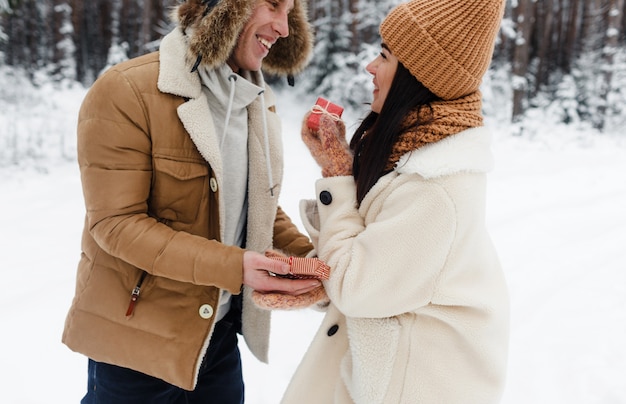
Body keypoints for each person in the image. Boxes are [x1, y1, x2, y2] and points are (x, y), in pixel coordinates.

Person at [62, 0, 321, 402]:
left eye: (290, 13)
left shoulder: (255, 99)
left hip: (215, 340)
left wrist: (314, 264)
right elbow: (116, 225)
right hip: (135, 342)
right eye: (273, 5)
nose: (283, 28)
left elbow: (253, 210)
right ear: (226, 7)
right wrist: (235, 267)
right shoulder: (128, 90)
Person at [281, 0, 510, 402]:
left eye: (385, 56)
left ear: (419, 75)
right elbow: (375, 266)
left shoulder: (435, 186)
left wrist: (337, 176)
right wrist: (314, 278)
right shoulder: (411, 156)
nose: (371, 66)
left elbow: (356, 287)